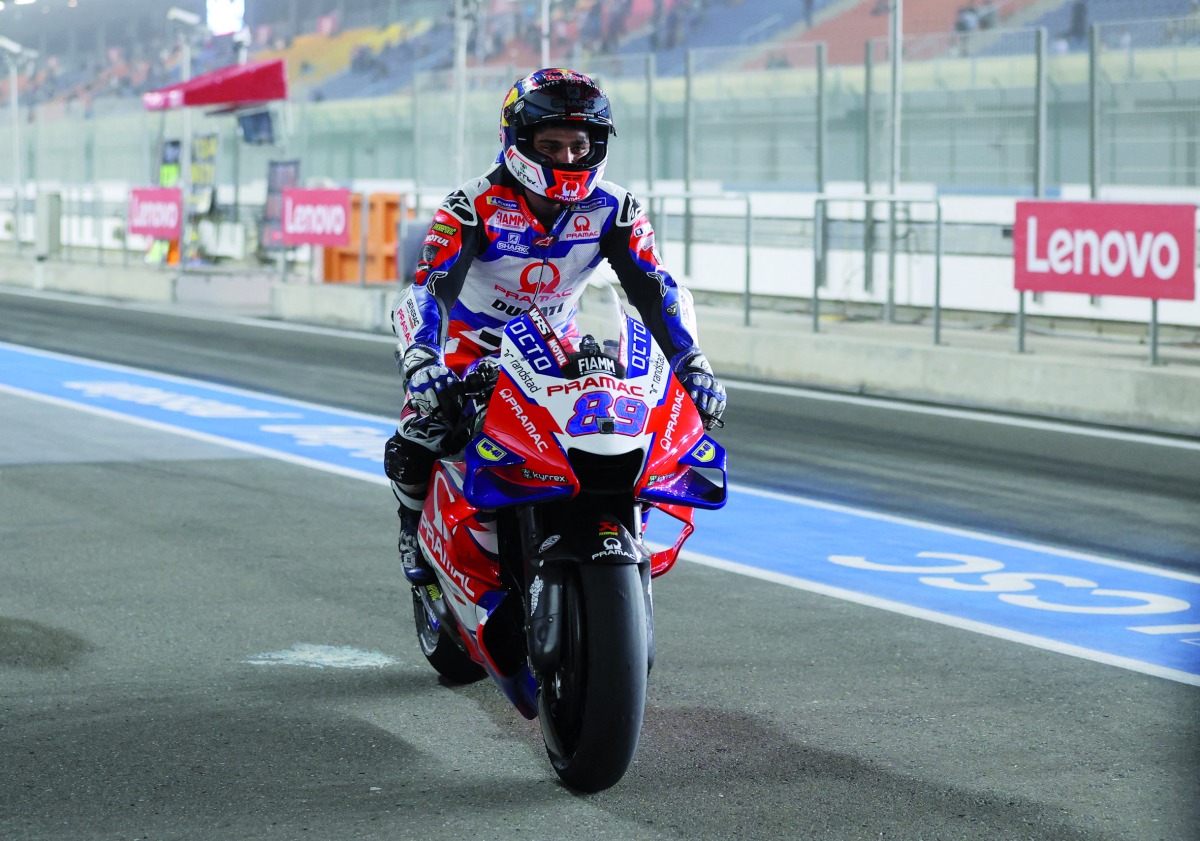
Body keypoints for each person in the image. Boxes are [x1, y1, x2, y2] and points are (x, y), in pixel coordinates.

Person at [383, 68, 728, 584]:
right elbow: (429, 287)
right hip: (468, 352)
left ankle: (617, 526)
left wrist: (692, 363)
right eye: (550, 145)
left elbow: (657, 288)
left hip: (555, 350)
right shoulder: (470, 205)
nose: (567, 158)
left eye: (578, 145)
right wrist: (422, 360)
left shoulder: (616, 207)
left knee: (624, 433)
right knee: (420, 435)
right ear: (518, 141)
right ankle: (412, 527)